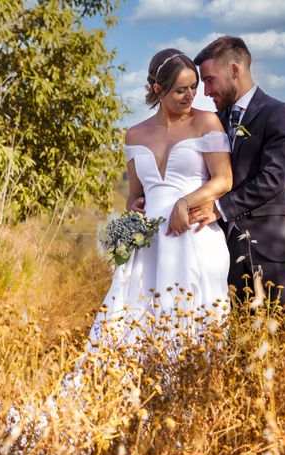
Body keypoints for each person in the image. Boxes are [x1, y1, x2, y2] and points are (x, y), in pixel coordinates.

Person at [87, 49, 233, 353]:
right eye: (181, 89)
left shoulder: (206, 123)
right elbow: (134, 196)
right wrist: (132, 212)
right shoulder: (134, 135)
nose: (190, 95)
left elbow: (223, 180)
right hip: (150, 247)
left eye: (194, 87)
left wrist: (185, 202)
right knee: (136, 324)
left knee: (192, 322)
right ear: (158, 89)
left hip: (193, 236)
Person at [189, 36, 285, 308]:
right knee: (234, 342)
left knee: (280, 336)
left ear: (235, 70)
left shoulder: (278, 114)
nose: (206, 91)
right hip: (225, 253)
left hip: (272, 250)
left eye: (210, 80)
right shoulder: (215, 122)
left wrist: (219, 208)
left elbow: (274, 179)